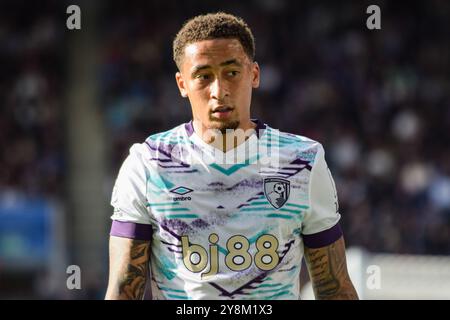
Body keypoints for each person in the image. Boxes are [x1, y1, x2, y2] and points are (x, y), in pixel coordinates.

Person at [105, 12, 358, 300]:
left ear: (254, 74)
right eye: (203, 76)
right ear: (182, 84)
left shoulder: (303, 162)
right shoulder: (147, 165)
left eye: (232, 73)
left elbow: (333, 287)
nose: (219, 90)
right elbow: (124, 288)